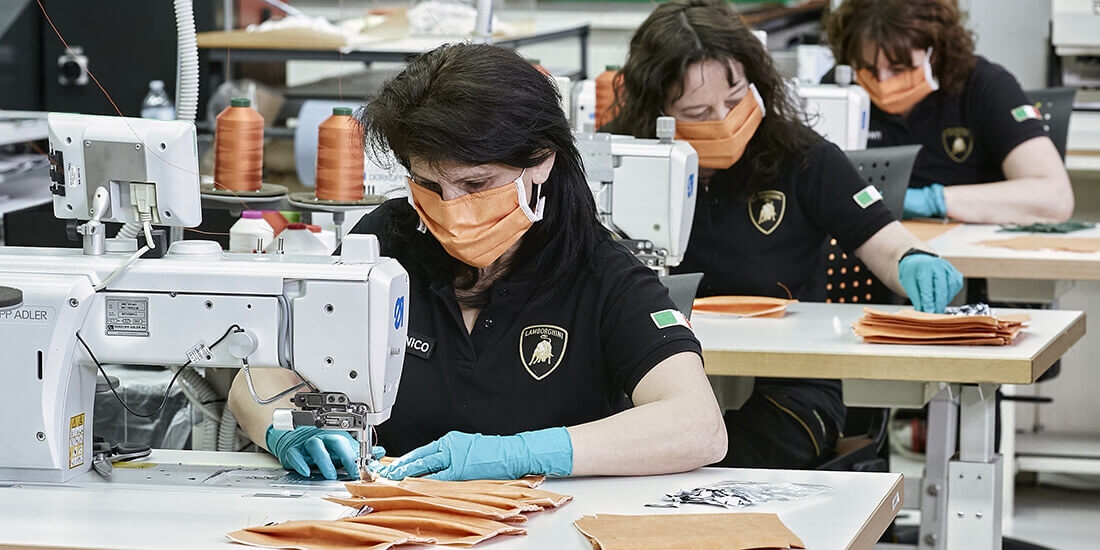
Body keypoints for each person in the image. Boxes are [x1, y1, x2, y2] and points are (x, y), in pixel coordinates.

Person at [228, 43, 727, 481]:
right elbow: (258, 380)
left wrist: (523, 454)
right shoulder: (384, 240)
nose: (450, 205)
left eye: (475, 185)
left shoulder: (601, 271)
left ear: (541, 161)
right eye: (428, 184)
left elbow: (698, 425)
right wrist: (289, 428)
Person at [602, 0, 963, 468]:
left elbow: (887, 245)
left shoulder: (803, 158)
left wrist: (915, 260)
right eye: (698, 110)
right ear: (658, 111)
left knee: (723, 468)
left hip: (792, 389)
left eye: (735, 101)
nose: (724, 119)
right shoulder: (616, 162)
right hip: (651, 383)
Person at [825, 0, 1073, 224]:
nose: (882, 81)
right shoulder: (838, 92)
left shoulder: (984, 86)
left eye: (899, 69)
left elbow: (1055, 197)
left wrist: (933, 201)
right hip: (860, 257)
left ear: (935, 51)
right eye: (868, 69)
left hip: (954, 258)